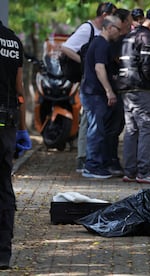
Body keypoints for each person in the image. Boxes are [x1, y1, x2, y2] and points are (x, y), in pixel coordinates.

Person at [61, 2, 117, 173]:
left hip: (94, 82)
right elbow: (66, 47)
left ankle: (90, 158)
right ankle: (83, 158)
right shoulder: (88, 28)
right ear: (105, 15)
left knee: (93, 121)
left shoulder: (102, 32)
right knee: (89, 121)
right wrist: (86, 63)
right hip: (89, 83)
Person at [118, 8, 150, 184]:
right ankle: (144, 172)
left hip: (126, 90)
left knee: (131, 131)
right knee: (147, 130)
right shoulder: (147, 38)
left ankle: (130, 171)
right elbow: (148, 68)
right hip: (142, 90)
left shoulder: (129, 36)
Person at [0, 20, 32, 270]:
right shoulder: (13, 41)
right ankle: (3, 254)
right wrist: (22, 128)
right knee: (3, 186)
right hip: (6, 122)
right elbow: (19, 87)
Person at [81, 15, 122, 179]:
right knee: (96, 129)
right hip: (94, 94)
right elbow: (99, 68)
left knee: (98, 129)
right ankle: (92, 165)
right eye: (118, 29)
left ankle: (97, 163)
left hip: (94, 93)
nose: (119, 32)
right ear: (109, 27)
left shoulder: (100, 43)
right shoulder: (101, 44)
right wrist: (109, 91)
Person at [104, 8, 132, 177]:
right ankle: (110, 161)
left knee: (118, 126)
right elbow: (117, 59)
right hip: (115, 88)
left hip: (120, 88)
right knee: (114, 128)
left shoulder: (124, 39)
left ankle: (112, 160)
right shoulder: (117, 40)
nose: (131, 23)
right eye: (128, 20)